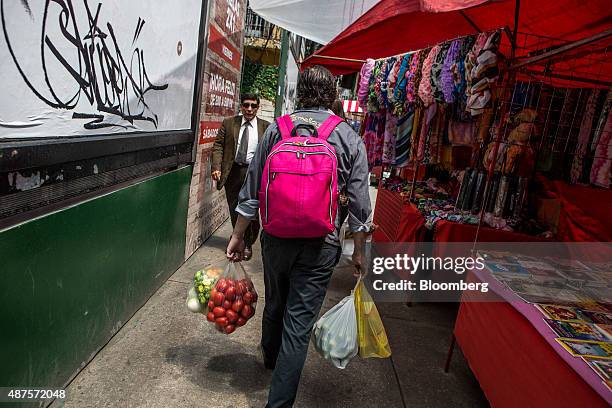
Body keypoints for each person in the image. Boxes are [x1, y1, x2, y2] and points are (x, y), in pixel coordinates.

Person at [226, 66, 372, 408]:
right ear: (333, 95)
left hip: (275, 238)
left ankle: (270, 356)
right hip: (321, 245)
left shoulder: (276, 130)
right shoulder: (348, 137)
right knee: (299, 322)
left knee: (276, 300)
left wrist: (237, 235)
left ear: (299, 93)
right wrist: (359, 251)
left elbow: (252, 191)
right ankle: (279, 402)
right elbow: (361, 205)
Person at [212, 93, 270, 260]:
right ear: (241, 106)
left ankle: (248, 242)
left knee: (251, 209)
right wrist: (216, 167)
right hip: (233, 172)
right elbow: (218, 145)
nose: (249, 109)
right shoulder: (229, 123)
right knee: (234, 208)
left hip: (254, 173)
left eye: (253, 106)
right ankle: (240, 240)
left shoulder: (265, 127)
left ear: (258, 107)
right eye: (246, 105)